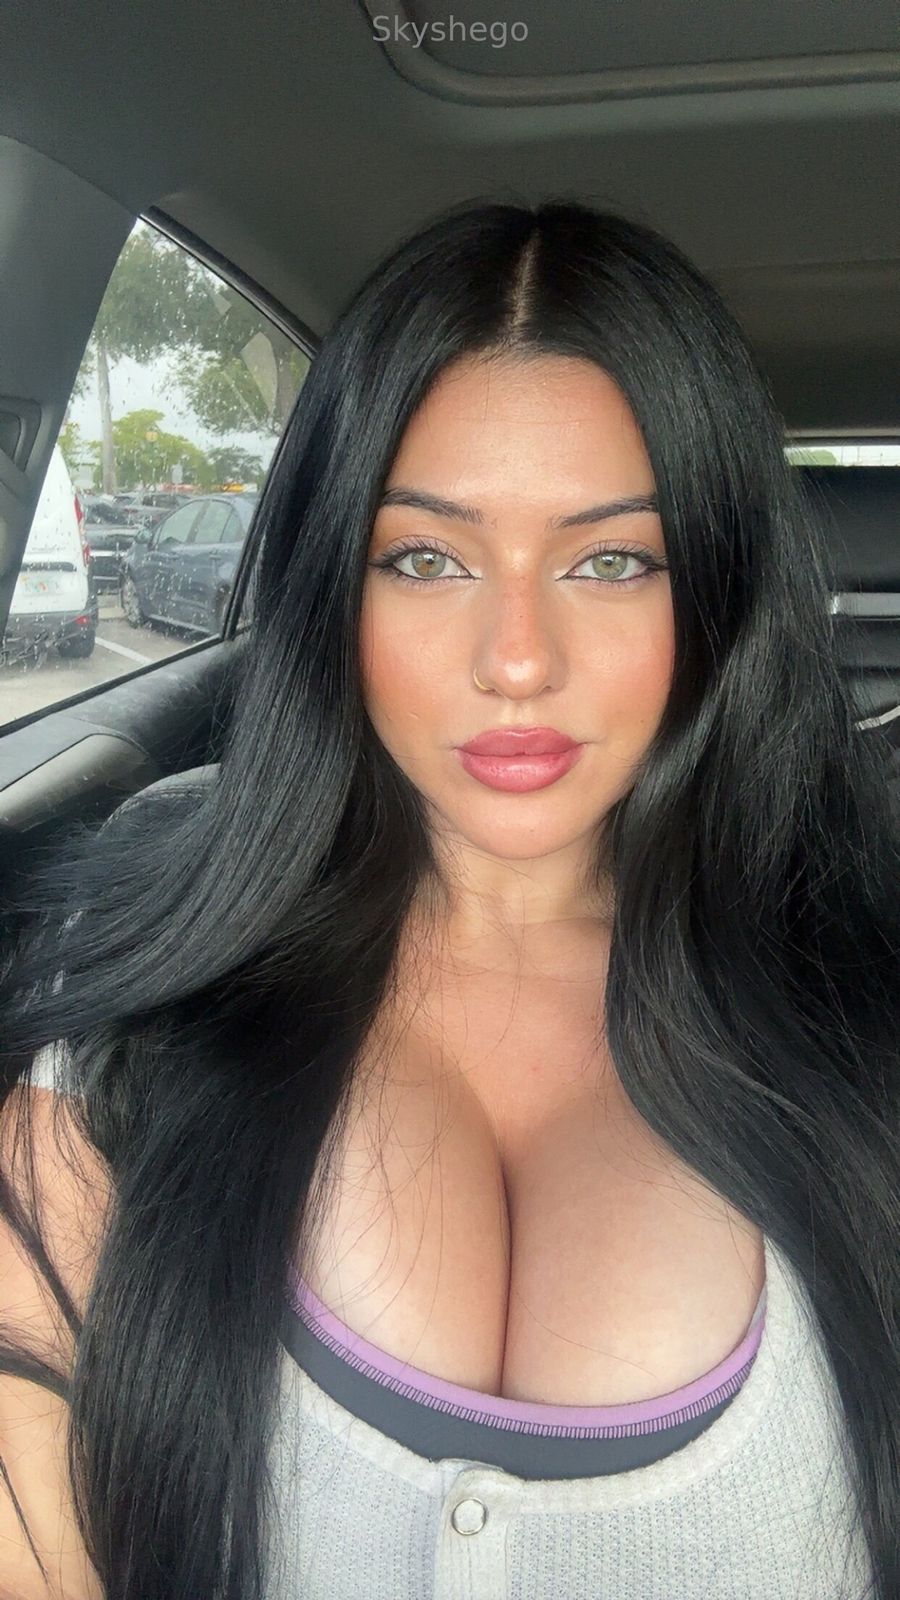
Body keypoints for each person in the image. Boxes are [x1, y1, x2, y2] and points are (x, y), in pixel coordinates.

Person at [0, 199, 895, 1600]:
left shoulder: (867, 1012)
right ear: (331, 590)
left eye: (611, 559)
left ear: (713, 592)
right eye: (426, 558)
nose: (517, 659)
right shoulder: (131, 1036)